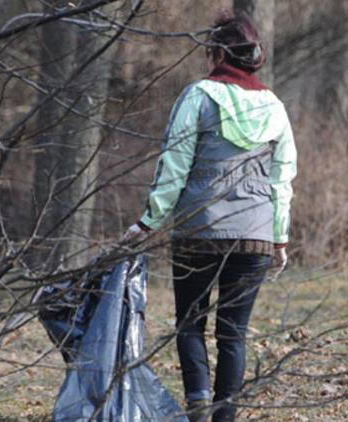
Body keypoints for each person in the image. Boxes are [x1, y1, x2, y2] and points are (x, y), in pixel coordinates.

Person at [123, 11, 297, 422]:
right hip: (254, 238)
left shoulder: (197, 97)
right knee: (233, 333)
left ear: (218, 53)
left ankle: (198, 406)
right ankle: (224, 416)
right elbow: (281, 181)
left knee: (190, 323)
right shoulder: (275, 107)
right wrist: (279, 238)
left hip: (199, 232)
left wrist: (149, 221)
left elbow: (174, 167)